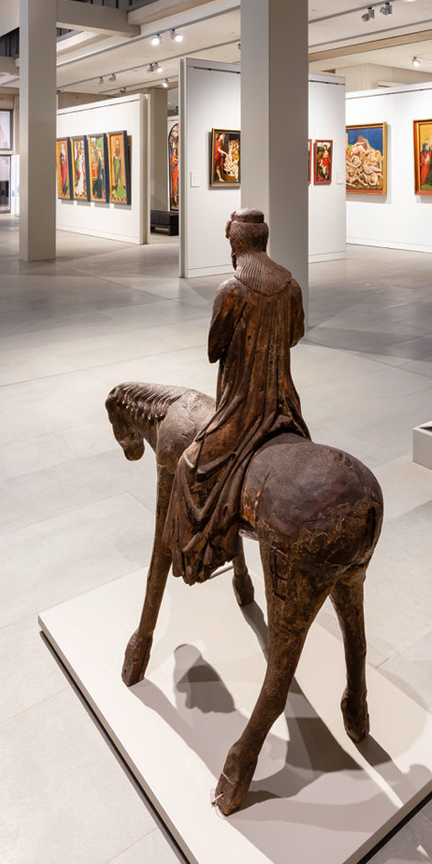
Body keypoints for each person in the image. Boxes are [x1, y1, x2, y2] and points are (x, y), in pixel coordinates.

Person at [164, 209, 310, 584]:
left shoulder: (232, 290)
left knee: (187, 468)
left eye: (231, 242)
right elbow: (294, 335)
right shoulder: (291, 286)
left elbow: (214, 349)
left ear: (239, 244)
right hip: (284, 405)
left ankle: (200, 558)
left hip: (243, 409)